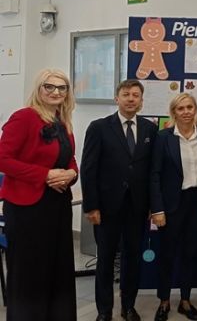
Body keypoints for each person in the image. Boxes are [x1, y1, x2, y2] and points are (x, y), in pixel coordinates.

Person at [0, 68, 79, 320]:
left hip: (57, 204)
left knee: (58, 269)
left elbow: (69, 159)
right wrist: (44, 175)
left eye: (62, 87)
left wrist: (71, 174)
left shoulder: (62, 121)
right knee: (30, 272)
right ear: (39, 89)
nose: (56, 92)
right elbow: (3, 159)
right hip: (27, 207)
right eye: (49, 86)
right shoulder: (24, 117)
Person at [81, 79, 158, 321]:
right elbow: (88, 169)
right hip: (106, 208)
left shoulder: (150, 129)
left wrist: (152, 206)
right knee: (105, 259)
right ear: (117, 98)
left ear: (141, 101)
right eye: (126, 94)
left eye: (136, 95)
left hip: (137, 207)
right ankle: (104, 310)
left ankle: (128, 306)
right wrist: (91, 206)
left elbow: (152, 171)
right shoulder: (99, 127)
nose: (131, 99)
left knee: (132, 258)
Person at [150, 93, 197, 321]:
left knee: (190, 253)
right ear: (173, 112)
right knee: (167, 255)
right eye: (180, 108)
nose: (186, 112)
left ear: (195, 110)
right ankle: (164, 301)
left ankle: (185, 301)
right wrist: (157, 209)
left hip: (196, 203)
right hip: (171, 205)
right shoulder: (163, 137)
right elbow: (154, 175)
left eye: (189, 107)